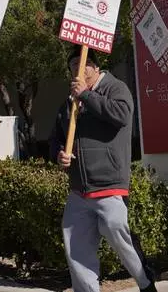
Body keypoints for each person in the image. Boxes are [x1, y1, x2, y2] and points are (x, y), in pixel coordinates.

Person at [50, 48, 156, 292]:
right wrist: (59, 154)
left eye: (83, 63)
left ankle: (145, 282)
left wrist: (86, 95)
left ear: (96, 68)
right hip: (78, 190)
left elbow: (121, 114)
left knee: (122, 242)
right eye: (72, 65)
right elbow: (56, 137)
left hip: (109, 186)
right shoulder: (69, 102)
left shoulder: (115, 88)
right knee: (76, 250)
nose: (77, 69)